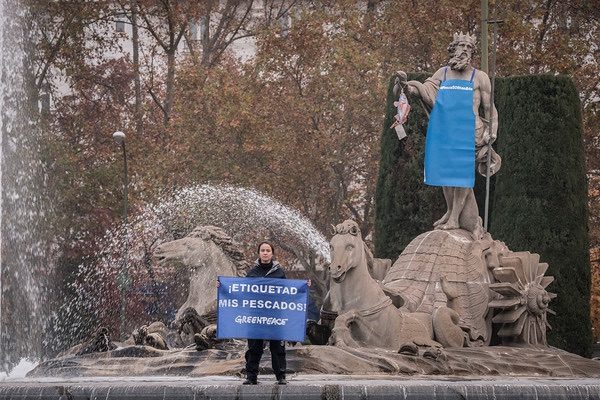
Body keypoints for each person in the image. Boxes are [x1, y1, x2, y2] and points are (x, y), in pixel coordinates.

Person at [398, 32, 501, 238]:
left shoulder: (479, 77)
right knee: (445, 174)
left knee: (461, 174)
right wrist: (406, 86)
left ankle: (455, 217)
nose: (464, 50)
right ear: (452, 49)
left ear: (472, 52)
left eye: (468, 48)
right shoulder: (442, 74)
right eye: (460, 46)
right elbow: (425, 91)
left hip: (469, 131)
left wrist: (493, 131)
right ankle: (449, 210)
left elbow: (490, 109)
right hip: (444, 131)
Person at [242, 241, 288, 385]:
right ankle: (251, 377)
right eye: (263, 250)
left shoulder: (279, 273)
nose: (265, 252)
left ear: (272, 253)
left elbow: (288, 292)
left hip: (275, 316)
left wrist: (305, 287)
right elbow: (242, 292)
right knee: (254, 347)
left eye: (268, 250)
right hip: (256, 316)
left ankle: (281, 376)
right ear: (259, 253)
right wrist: (222, 286)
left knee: (277, 347)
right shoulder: (252, 273)